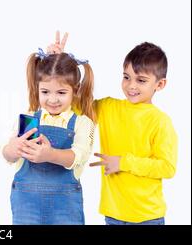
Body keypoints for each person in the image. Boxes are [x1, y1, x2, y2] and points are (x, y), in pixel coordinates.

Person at [48, 31, 178, 225]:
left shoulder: (161, 121)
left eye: (141, 80)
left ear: (160, 84)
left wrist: (123, 163)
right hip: (113, 215)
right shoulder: (109, 107)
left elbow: (167, 168)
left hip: (147, 217)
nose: (131, 85)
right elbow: (77, 106)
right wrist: (56, 64)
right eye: (126, 77)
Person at [1, 43, 96, 224]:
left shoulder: (82, 123)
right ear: (37, 89)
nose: (52, 99)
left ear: (74, 91)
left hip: (65, 206)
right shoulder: (28, 118)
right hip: (26, 203)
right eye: (45, 92)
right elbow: (7, 154)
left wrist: (50, 154)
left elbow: (78, 156)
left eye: (61, 92)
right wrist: (12, 149)